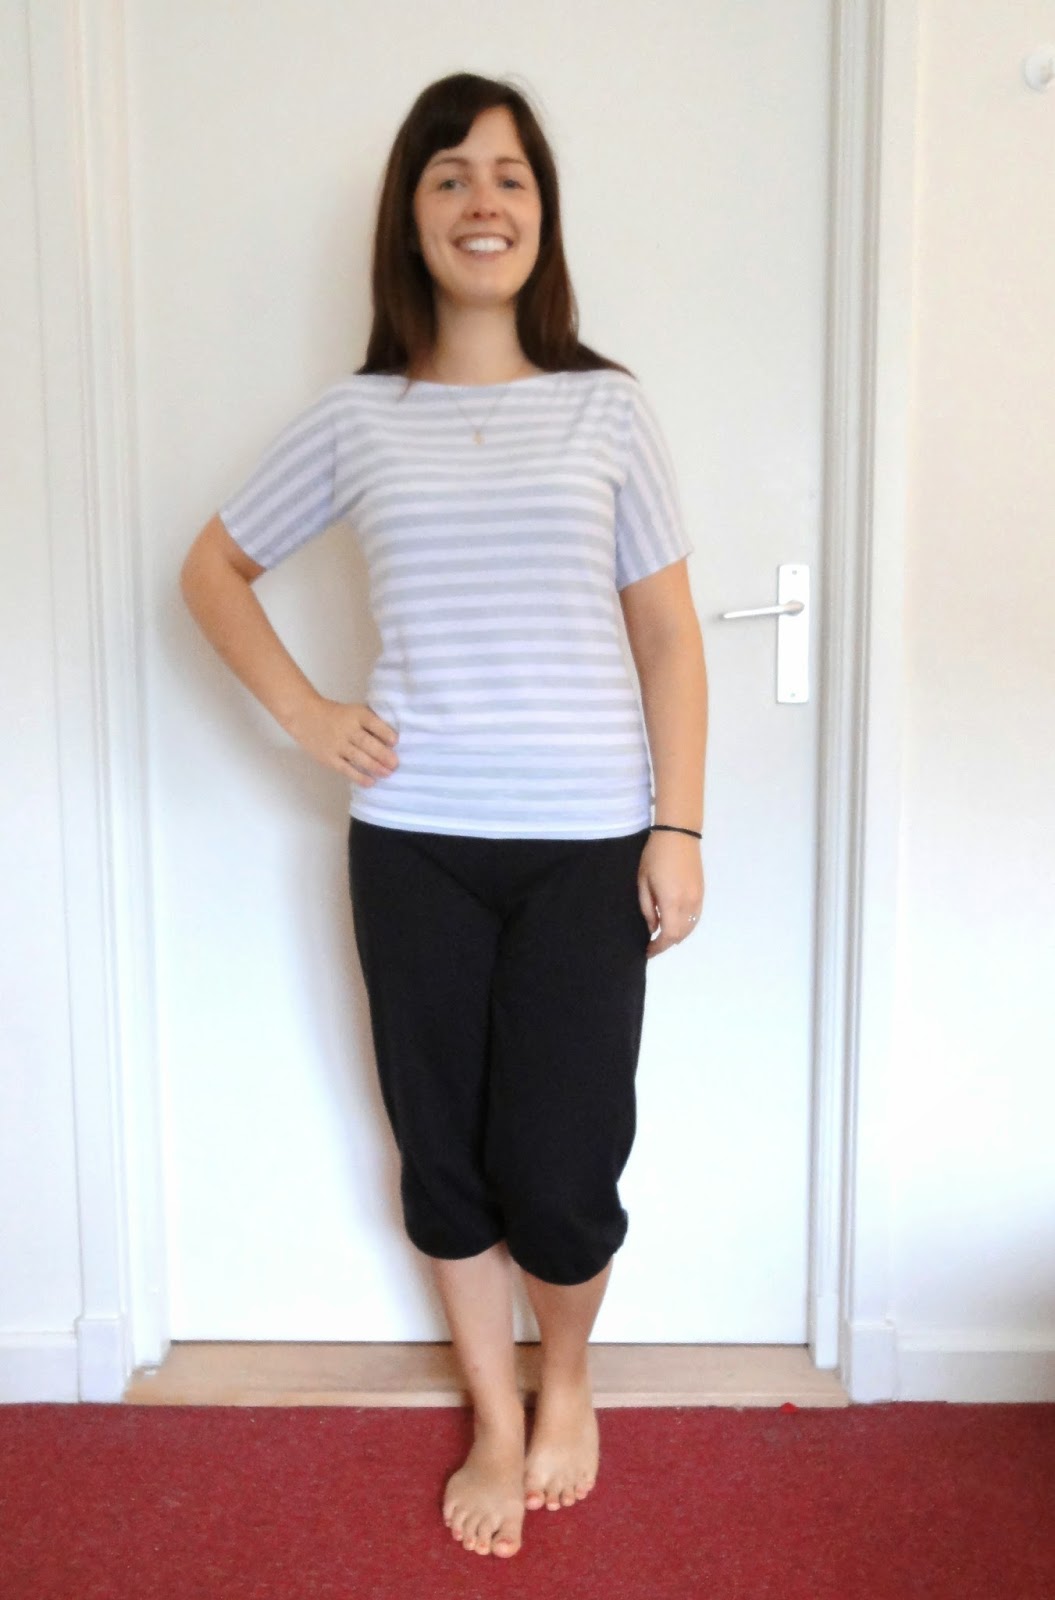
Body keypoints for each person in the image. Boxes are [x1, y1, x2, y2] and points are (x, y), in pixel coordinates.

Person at [180, 71, 708, 1561]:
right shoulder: (360, 420)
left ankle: (568, 1378)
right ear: (410, 217)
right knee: (446, 1155)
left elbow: (669, 638)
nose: (485, 202)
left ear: (543, 215)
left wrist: (679, 830)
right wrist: (308, 715)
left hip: (587, 849)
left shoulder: (608, 409)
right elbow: (212, 571)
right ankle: (493, 1411)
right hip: (416, 849)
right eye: (451, 176)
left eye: (511, 176)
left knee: (564, 1165)